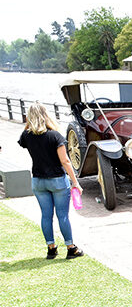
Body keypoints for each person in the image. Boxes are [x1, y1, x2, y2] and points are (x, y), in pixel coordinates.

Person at [18, 103, 84, 259]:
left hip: (38, 181)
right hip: (58, 181)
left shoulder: (26, 136)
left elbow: (23, 138)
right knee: (63, 216)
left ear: (30, 117)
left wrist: (29, 123)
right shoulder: (55, 136)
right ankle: (71, 248)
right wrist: (76, 182)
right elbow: (66, 161)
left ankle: (51, 248)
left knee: (46, 216)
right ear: (46, 115)